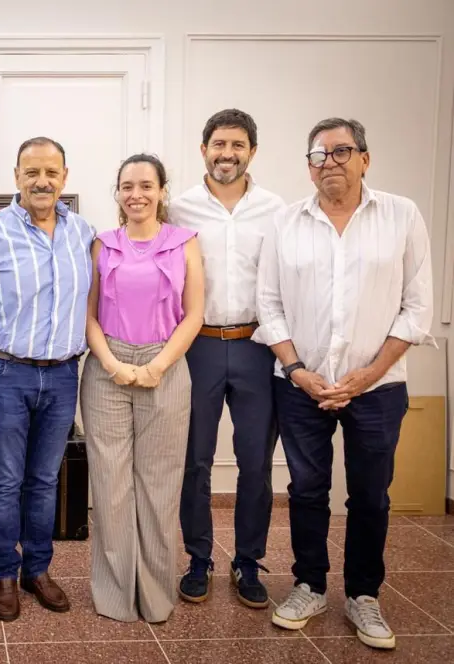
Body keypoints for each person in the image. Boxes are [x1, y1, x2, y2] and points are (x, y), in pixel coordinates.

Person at [255, 118, 434, 650]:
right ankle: (309, 585)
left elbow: (418, 306)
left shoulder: (401, 215)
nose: (329, 161)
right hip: (300, 387)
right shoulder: (285, 223)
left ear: (364, 159)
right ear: (307, 165)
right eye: (318, 154)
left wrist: (366, 375)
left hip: (377, 389)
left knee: (371, 496)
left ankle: (363, 594)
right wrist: (297, 370)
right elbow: (269, 303)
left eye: (341, 151)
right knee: (307, 491)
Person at [0, 137, 96, 622]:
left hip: (61, 376)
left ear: (65, 177)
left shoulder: (84, 234)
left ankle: (38, 569)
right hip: (3, 373)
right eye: (32, 172)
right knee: (5, 480)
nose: (42, 181)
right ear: (16, 177)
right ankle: (5, 576)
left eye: (51, 172)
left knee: (45, 479)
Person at [79, 153, 204, 623]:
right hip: (107, 369)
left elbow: (194, 314)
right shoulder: (102, 244)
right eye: (127, 186)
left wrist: (158, 366)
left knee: (158, 485)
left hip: (166, 366)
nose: (137, 194)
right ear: (117, 193)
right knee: (111, 485)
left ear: (162, 191)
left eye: (146, 185)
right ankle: (114, 595)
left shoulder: (185, 242)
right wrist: (111, 363)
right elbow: (88, 314)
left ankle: (154, 594)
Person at [170, 109, 286, 608]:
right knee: (193, 461)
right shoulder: (178, 209)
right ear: (203, 149)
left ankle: (248, 561)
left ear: (252, 152)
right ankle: (198, 558)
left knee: (256, 462)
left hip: (257, 348)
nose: (227, 154)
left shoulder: (277, 209)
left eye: (238, 145)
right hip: (196, 347)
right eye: (218, 144)